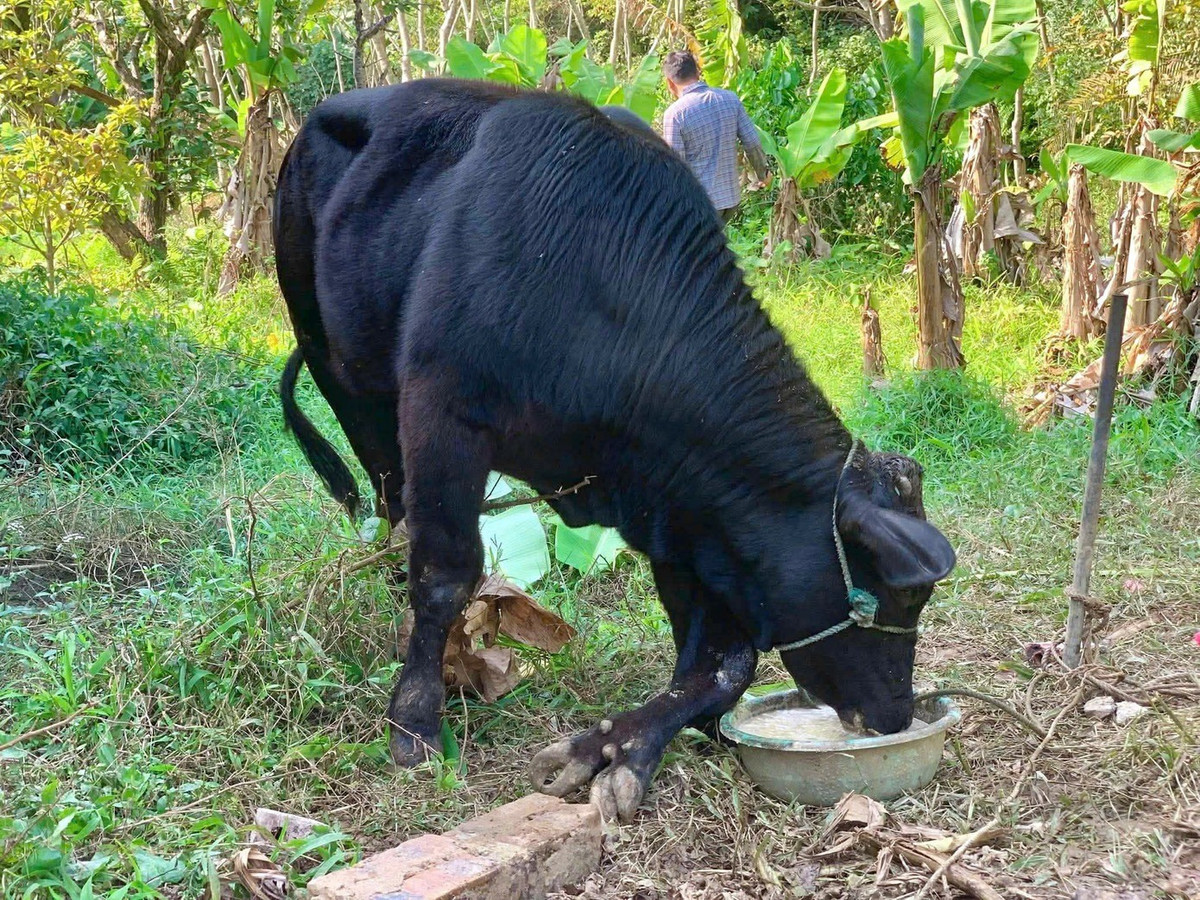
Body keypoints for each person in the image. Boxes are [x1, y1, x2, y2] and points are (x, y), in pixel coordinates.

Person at [660, 50, 771, 223]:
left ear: (669, 83)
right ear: (698, 72)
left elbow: (676, 167)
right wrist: (763, 174)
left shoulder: (675, 114)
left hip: (699, 206)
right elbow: (752, 142)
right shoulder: (730, 99)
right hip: (730, 200)